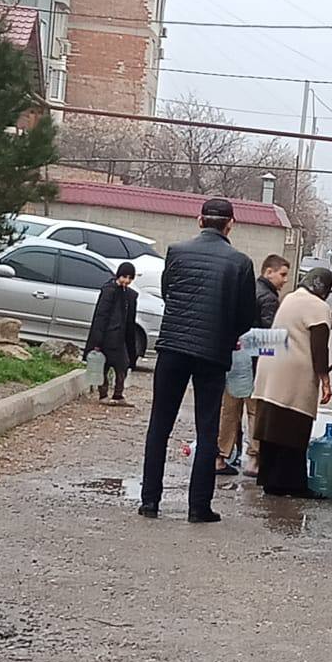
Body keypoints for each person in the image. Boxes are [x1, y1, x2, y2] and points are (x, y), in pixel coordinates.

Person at [139, 198, 257, 523]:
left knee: (159, 425)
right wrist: (226, 332)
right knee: (207, 430)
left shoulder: (176, 252)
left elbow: (169, 294)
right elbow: (246, 316)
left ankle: (150, 501)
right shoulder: (241, 263)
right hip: (213, 352)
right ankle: (198, 507)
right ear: (231, 224)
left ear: (199, 220)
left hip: (172, 347)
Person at [252, 268, 332, 497]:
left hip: (271, 368)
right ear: (326, 288)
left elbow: (327, 319)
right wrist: (325, 381)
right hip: (293, 374)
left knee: (273, 428)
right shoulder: (318, 306)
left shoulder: (292, 298)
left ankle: (271, 482)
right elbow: (320, 348)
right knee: (294, 429)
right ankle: (294, 485)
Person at [216, 253, 290, 479]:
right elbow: (269, 336)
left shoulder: (246, 292)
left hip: (233, 361)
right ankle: (254, 460)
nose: (285, 280)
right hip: (255, 366)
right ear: (268, 272)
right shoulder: (269, 298)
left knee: (229, 412)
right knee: (255, 412)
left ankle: (219, 457)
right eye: (282, 274)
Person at [85, 262, 138, 406]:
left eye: (130, 278)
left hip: (120, 338)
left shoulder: (129, 295)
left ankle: (118, 394)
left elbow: (129, 320)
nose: (126, 281)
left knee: (123, 365)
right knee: (104, 365)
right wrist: (97, 340)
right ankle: (103, 394)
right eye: (124, 277)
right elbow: (101, 316)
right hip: (107, 336)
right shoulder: (109, 291)